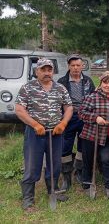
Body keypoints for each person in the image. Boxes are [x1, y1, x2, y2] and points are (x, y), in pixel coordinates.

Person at [15, 58, 73, 210]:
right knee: (32, 164)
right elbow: (20, 110)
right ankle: (28, 197)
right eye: (43, 70)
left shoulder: (60, 88)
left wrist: (63, 123)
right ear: (37, 71)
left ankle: (53, 190)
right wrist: (35, 124)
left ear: (53, 71)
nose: (47, 73)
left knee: (55, 164)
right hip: (35, 133)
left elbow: (68, 108)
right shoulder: (28, 88)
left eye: (49, 70)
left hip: (56, 132)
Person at [57, 54, 96, 191]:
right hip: (68, 117)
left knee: (82, 145)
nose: (75, 68)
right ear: (69, 66)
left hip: (84, 117)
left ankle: (79, 171)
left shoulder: (88, 81)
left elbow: (93, 98)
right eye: (72, 65)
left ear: (82, 66)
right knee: (65, 147)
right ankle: (66, 176)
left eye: (78, 65)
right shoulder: (62, 82)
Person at [78, 71, 109, 199]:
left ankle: (108, 185)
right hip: (91, 135)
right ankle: (87, 183)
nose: (108, 86)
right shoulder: (92, 97)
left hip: (108, 136)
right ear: (100, 84)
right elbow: (81, 113)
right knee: (88, 160)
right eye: (105, 82)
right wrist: (95, 118)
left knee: (106, 160)